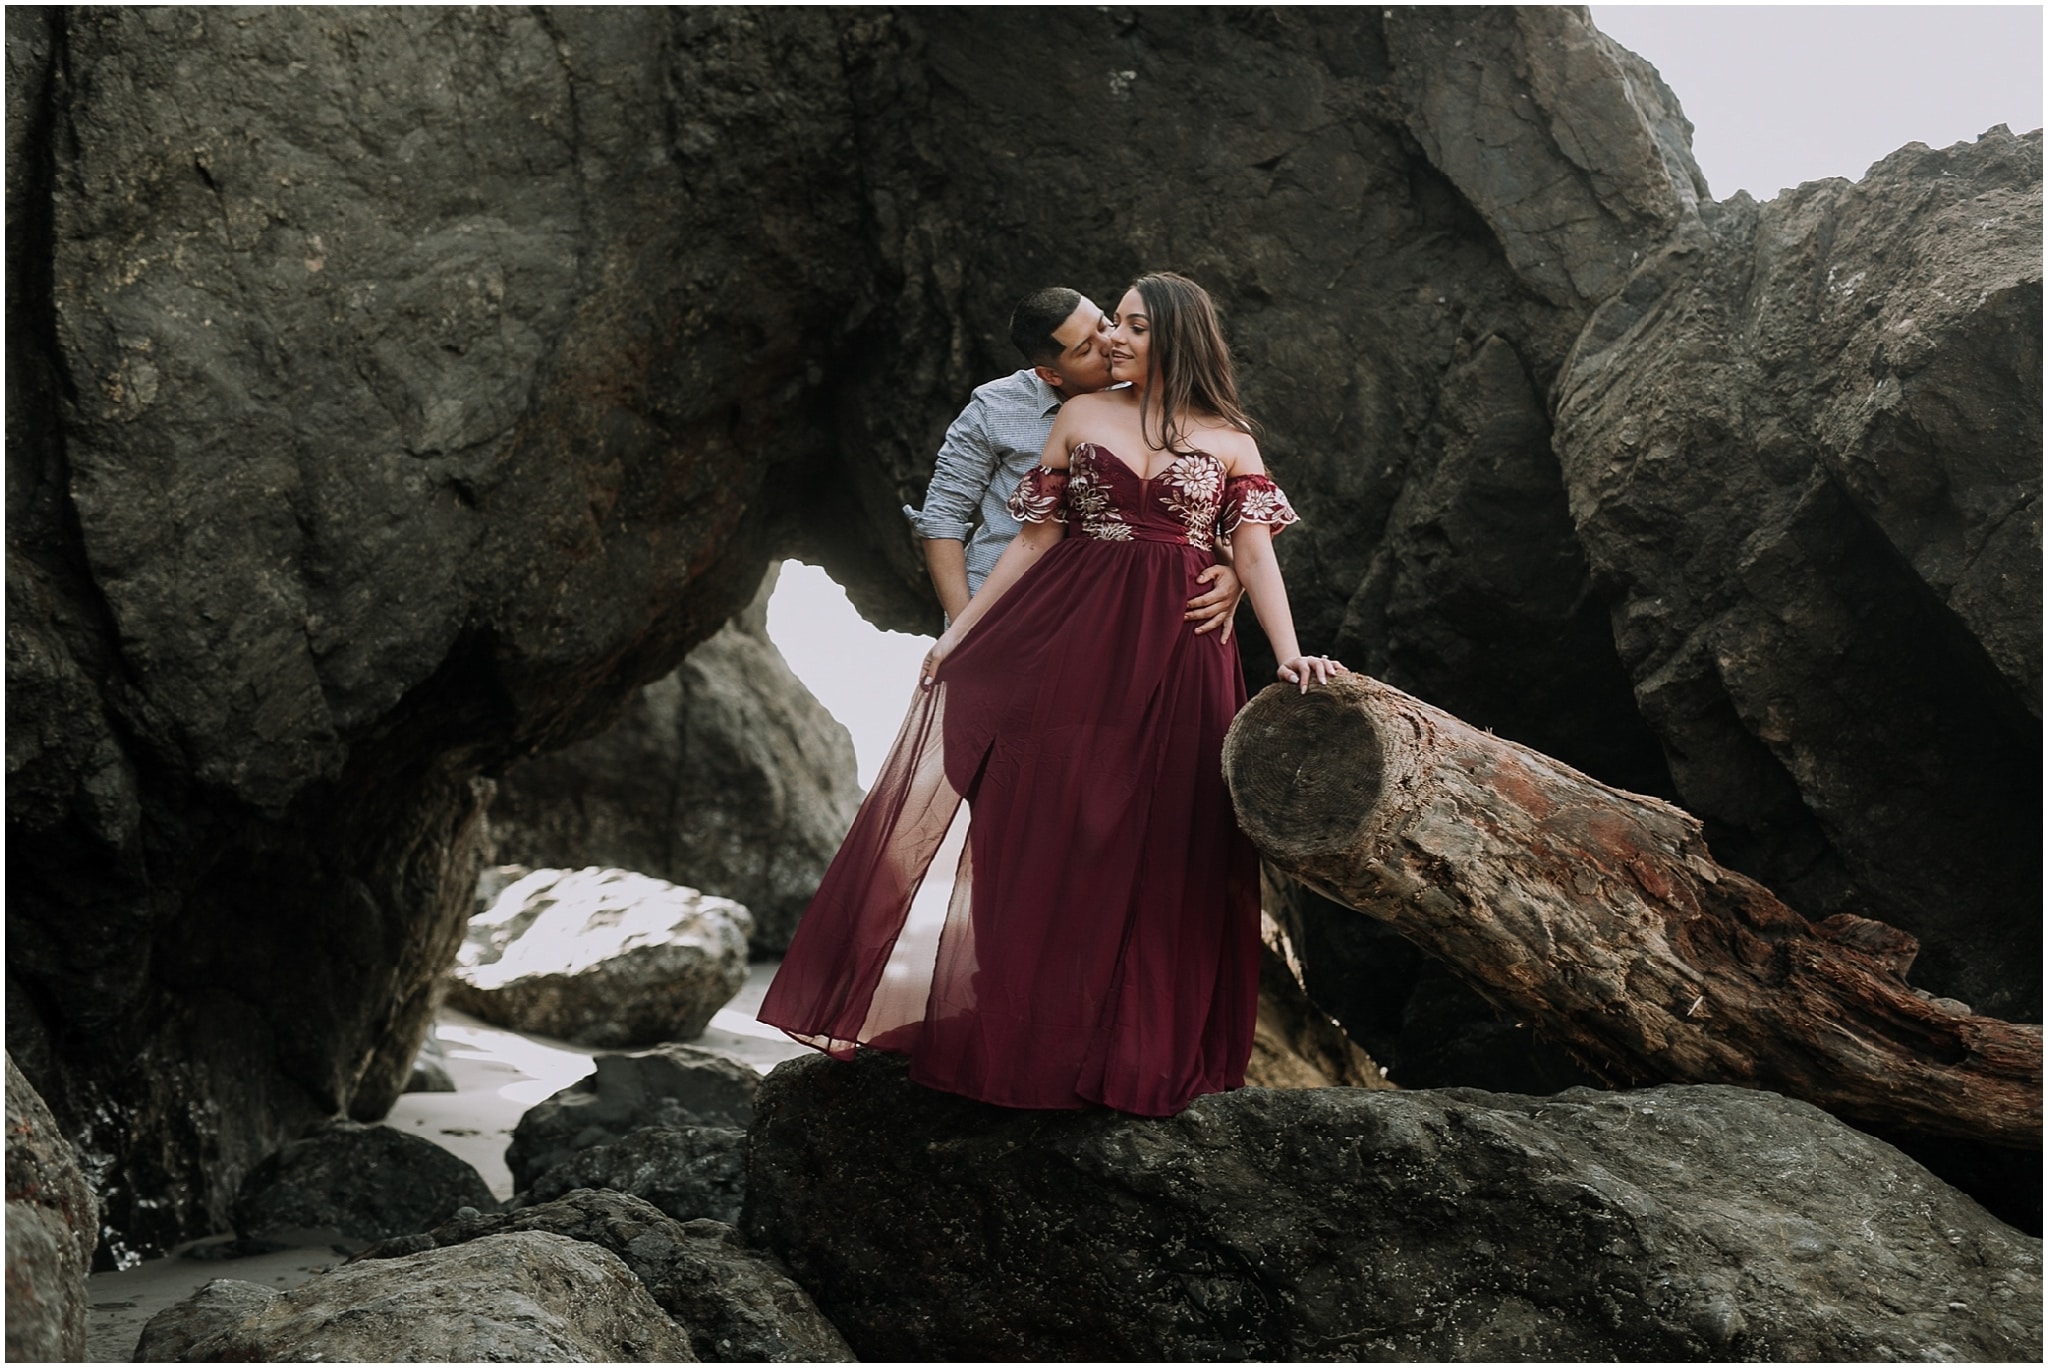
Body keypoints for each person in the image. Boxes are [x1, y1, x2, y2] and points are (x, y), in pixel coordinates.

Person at [759, 272, 1343, 1117]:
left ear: (1172, 338)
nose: (1114, 340)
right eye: (1111, 329)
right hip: (1073, 635)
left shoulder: (1231, 439)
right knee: (1064, 819)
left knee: (1171, 837)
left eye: (1131, 328)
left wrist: (1289, 655)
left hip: (1182, 652)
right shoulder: (1078, 415)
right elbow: (1035, 541)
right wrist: (960, 633)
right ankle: (1035, 1030)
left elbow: (1253, 554)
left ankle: (1138, 1051)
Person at [906, 285, 1241, 635]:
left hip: (1099, 610)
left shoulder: (1151, 396)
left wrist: (1234, 574)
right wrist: (961, 628)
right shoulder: (994, 408)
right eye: (1086, 349)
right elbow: (942, 517)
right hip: (1000, 603)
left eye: (1104, 324)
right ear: (1051, 375)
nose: (1110, 343)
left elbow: (1177, 508)